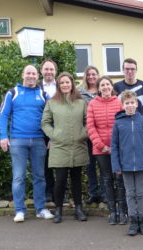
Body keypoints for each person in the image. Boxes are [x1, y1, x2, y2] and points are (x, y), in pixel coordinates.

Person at [0, 64, 54, 223]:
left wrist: (50, 137)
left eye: (34, 73)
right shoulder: (13, 93)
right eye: (28, 73)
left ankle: (40, 209)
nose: (31, 76)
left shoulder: (43, 94)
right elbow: (3, 115)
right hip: (17, 141)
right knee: (18, 177)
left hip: (38, 141)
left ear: (38, 76)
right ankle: (20, 210)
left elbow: (51, 118)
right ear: (23, 75)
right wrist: (3, 136)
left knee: (39, 176)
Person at [42, 72, 89, 223]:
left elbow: (89, 120)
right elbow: (45, 123)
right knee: (60, 180)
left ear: (72, 84)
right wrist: (54, 135)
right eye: (62, 83)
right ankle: (58, 210)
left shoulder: (81, 102)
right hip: (59, 146)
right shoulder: (52, 102)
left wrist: (84, 133)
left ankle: (78, 209)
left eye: (67, 82)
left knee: (76, 180)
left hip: (78, 144)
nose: (65, 85)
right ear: (58, 85)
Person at [111, 90, 143, 236]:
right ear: (122, 105)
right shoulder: (118, 123)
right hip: (126, 166)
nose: (130, 105)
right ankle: (133, 221)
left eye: (132, 102)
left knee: (141, 193)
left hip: (142, 165)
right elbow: (114, 146)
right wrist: (116, 166)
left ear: (137, 104)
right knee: (130, 194)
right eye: (127, 103)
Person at [87, 76, 126, 225]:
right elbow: (90, 127)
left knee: (120, 179)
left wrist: (116, 146)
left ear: (112, 86)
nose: (105, 87)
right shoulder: (92, 104)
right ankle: (112, 212)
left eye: (107, 84)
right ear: (98, 88)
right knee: (107, 180)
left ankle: (123, 211)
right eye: (102, 85)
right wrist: (101, 146)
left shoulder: (119, 102)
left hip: (118, 149)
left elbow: (124, 124)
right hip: (100, 150)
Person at [78, 66, 105, 204]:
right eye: (88, 74)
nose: (91, 77)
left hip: (102, 135)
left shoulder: (103, 89)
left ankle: (106, 194)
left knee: (103, 166)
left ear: (98, 75)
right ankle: (94, 193)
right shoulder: (79, 92)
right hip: (87, 135)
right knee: (90, 166)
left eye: (94, 74)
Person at [39, 58, 58, 203]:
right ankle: (49, 192)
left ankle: (61, 192)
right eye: (46, 69)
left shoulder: (63, 86)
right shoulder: (36, 87)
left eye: (51, 69)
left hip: (60, 130)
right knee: (45, 163)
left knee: (61, 163)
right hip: (42, 131)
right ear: (41, 71)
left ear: (55, 71)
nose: (49, 72)